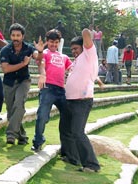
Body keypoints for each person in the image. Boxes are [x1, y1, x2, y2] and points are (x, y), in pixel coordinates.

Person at [60, 28, 100, 173]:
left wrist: (88, 33)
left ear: (83, 46)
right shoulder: (76, 61)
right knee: (65, 131)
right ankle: (72, 158)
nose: (74, 51)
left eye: (76, 48)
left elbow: (85, 33)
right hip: (70, 100)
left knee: (77, 132)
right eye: (72, 49)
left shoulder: (89, 54)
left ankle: (92, 165)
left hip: (82, 101)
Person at [0, 23, 45, 145]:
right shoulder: (5, 50)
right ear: (10, 36)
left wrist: (40, 51)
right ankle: (22, 137)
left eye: (18, 35)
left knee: (19, 105)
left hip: (23, 81)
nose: (15, 38)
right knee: (11, 112)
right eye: (13, 35)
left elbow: (38, 58)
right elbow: (6, 69)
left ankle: (10, 134)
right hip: (9, 82)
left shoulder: (28, 48)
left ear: (22, 36)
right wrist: (23, 64)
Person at [31, 29, 72, 152]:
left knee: (67, 116)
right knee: (42, 116)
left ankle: (67, 146)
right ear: (47, 42)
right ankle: (38, 141)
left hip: (61, 90)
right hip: (48, 88)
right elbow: (38, 59)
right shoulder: (45, 53)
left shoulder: (64, 57)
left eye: (56, 42)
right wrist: (39, 50)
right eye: (51, 42)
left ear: (59, 43)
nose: (54, 45)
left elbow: (72, 68)